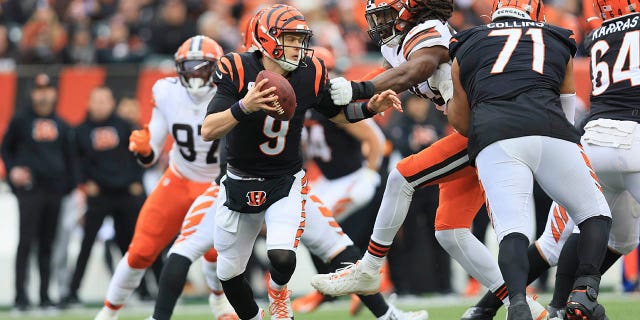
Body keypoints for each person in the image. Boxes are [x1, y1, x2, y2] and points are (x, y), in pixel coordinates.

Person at [311, 1, 544, 318]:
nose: (379, 23)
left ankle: (368, 268)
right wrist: (337, 100)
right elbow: (373, 88)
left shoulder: (428, 30)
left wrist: (354, 87)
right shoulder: (400, 46)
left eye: (385, 14)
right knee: (451, 232)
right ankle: (530, 309)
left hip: (487, 127)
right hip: (474, 130)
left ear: (409, 10)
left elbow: (416, 69)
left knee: (401, 177)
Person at [199, 4, 401, 319]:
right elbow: (209, 129)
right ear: (266, 38)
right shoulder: (237, 68)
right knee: (229, 274)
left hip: (285, 179)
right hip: (239, 180)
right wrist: (245, 106)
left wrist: (369, 109)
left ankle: (279, 294)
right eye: (290, 38)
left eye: (299, 38)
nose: (298, 46)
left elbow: (337, 115)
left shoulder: (310, 72)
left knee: (282, 257)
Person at [445, 0, 613, 319]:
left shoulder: (466, 42)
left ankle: (518, 305)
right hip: (549, 127)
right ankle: (584, 290)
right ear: (535, 14)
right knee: (595, 213)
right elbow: (567, 109)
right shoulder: (558, 37)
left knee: (512, 229)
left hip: (495, 134)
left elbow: (462, 122)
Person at [94, 35, 225, 320]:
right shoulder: (166, 91)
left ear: (216, 69)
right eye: (189, 67)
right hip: (179, 178)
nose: (194, 74)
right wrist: (144, 148)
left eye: (202, 68)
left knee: (218, 255)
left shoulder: (230, 93)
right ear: (178, 68)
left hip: (218, 185)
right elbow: (152, 149)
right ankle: (108, 313)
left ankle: (219, 301)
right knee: (140, 251)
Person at [63, 86, 146, 305]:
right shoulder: (79, 130)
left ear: (112, 103)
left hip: (125, 193)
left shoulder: (125, 126)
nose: (100, 105)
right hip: (98, 195)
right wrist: (85, 183)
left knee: (132, 245)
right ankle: (72, 291)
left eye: (104, 100)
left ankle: (143, 290)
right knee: (86, 245)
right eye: (96, 100)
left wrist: (136, 180)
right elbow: (75, 160)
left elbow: (140, 155)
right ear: (89, 104)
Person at [1, 73, 76, 311]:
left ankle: (45, 295)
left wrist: (69, 187)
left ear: (54, 94)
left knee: (48, 244)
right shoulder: (20, 121)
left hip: (55, 192)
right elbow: (6, 150)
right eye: (39, 90)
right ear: (32, 93)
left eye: (47, 90)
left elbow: (71, 158)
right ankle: (21, 296)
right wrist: (14, 172)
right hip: (30, 191)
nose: (43, 95)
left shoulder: (62, 125)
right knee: (26, 243)